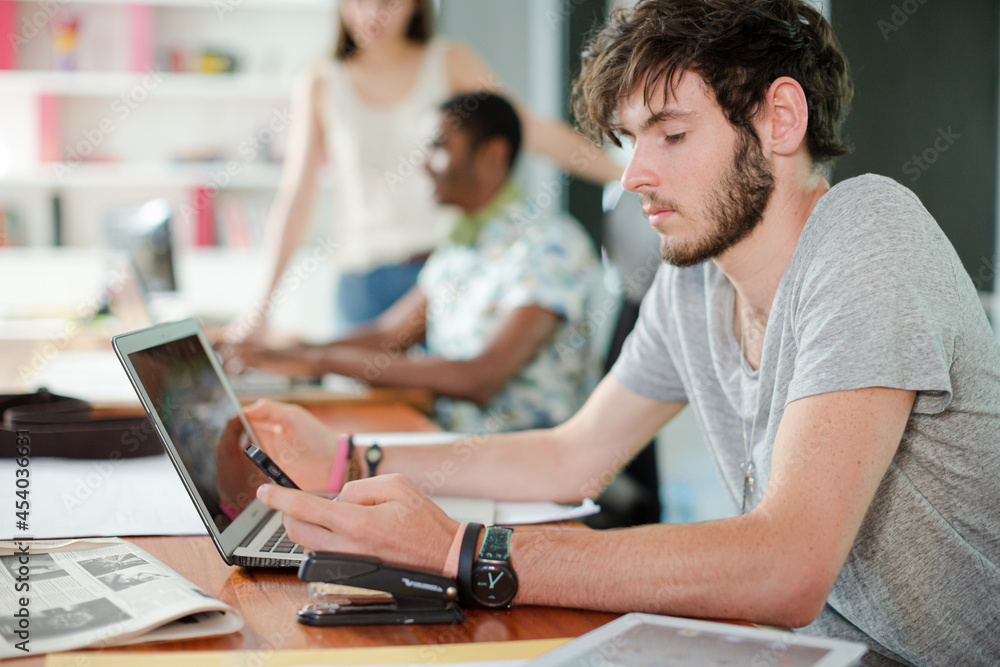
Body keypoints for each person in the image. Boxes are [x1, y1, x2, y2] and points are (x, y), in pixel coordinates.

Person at [242, 1, 1000, 665]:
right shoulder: (696, 278)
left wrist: (464, 550)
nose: (633, 174)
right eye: (630, 139)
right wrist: (347, 458)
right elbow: (573, 456)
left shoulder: (870, 233)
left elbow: (786, 564)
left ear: (781, 118)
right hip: (809, 647)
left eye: (670, 134)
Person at [233, 0, 621, 340]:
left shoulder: (448, 60)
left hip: (440, 274)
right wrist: (260, 308)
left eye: (387, 2)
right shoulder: (321, 80)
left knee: (437, 410)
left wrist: (628, 175)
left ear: (417, 4)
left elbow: (527, 128)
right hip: (361, 280)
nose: (369, 14)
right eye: (355, 1)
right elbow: (297, 196)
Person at [239, 92, 606, 433]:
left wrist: (321, 361)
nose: (421, 164)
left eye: (437, 146)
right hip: (446, 438)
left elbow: (480, 378)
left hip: (522, 459)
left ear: (492, 156)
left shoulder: (550, 246)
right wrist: (288, 354)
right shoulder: (462, 244)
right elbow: (389, 335)